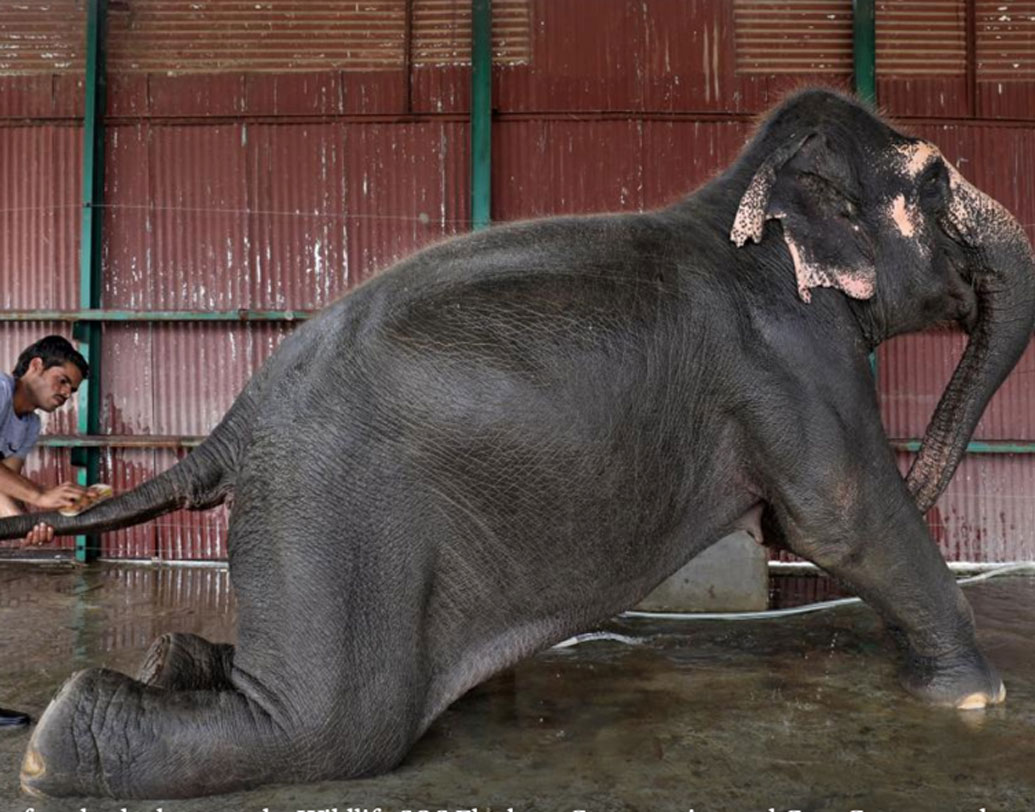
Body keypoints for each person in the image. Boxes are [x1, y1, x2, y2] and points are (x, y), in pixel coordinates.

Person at [0, 335, 90, 728]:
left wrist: (23, 525)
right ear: (35, 366)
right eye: (63, 381)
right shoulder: (0, 390)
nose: (67, 394)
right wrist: (41, 496)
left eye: (73, 389)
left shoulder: (28, 425)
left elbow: (4, 488)